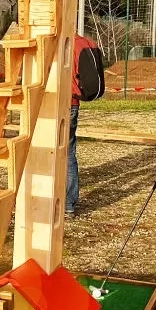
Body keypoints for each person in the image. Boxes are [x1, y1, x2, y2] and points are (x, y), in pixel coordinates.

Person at [67, 56, 81, 216]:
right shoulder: (83, 45)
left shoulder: (57, 45)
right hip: (73, 103)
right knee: (69, 153)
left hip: (56, 101)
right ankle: (68, 204)